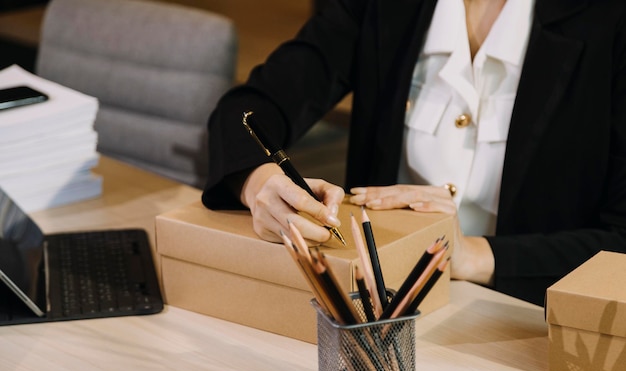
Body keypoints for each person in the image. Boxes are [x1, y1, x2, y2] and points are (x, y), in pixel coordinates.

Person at [201, 0, 626, 306]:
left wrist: (472, 254)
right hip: (376, 314)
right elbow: (245, 112)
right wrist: (260, 185)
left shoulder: (610, 20)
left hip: (533, 325)